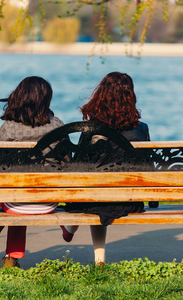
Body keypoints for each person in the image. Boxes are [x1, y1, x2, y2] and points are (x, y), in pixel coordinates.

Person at [0, 76, 65, 268]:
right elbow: (67, 164)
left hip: (16, 201)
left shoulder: (8, 128)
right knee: (21, 191)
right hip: (49, 201)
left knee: (16, 193)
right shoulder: (57, 125)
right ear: (46, 100)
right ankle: (9, 255)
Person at [60, 71, 150, 265]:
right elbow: (146, 166)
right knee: (97, 195)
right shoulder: (141, 129)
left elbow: (79, 168)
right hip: (129, 200)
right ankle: (80, 240)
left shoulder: (91, 129)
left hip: (95, 198)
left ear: (101, 96)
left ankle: (83, 242)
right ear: (131, 97)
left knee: (93, 194)